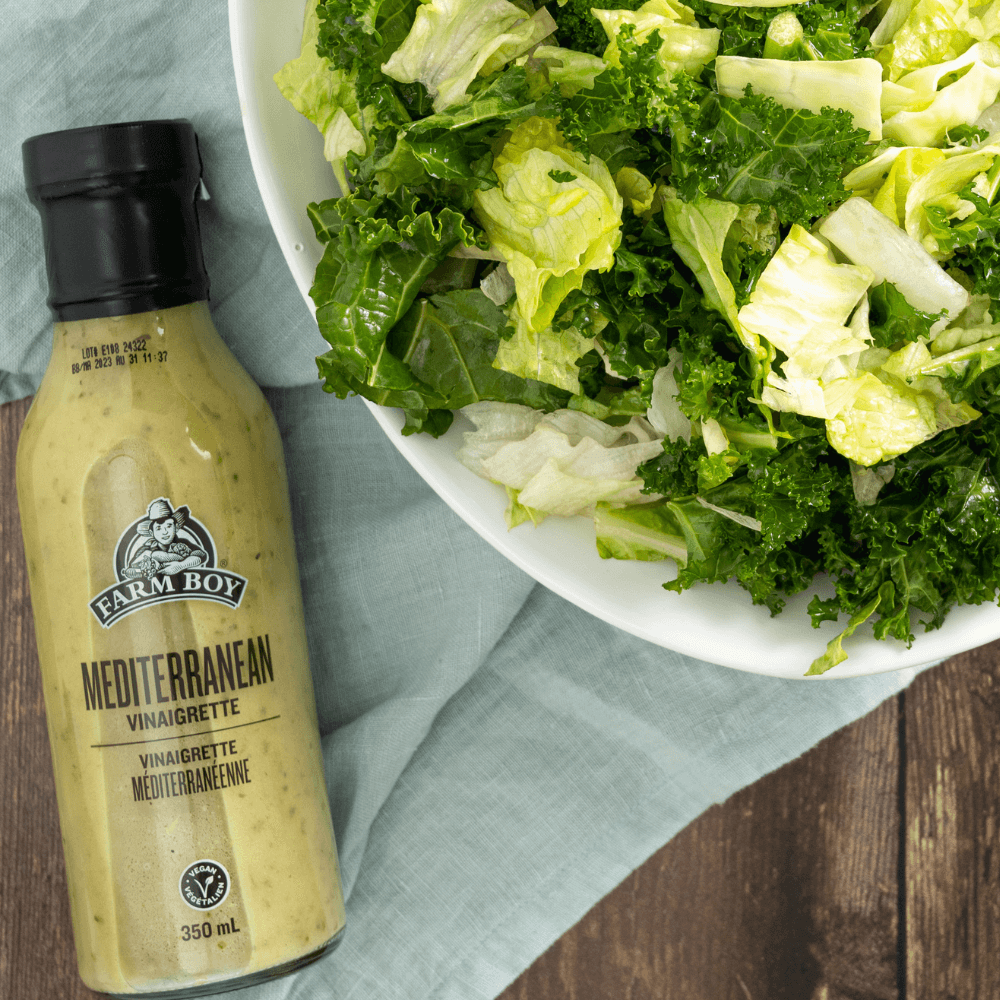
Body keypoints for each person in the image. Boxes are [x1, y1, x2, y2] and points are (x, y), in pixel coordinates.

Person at [121, 498, 207, 580]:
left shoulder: (182, 544)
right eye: (158, 528)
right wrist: (152, 555)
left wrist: (180, 565)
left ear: (176, 527)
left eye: (169, 526)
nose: (165, 532)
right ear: (152, 533)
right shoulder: (146, 548)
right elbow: (131, 566)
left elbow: (201, 555)